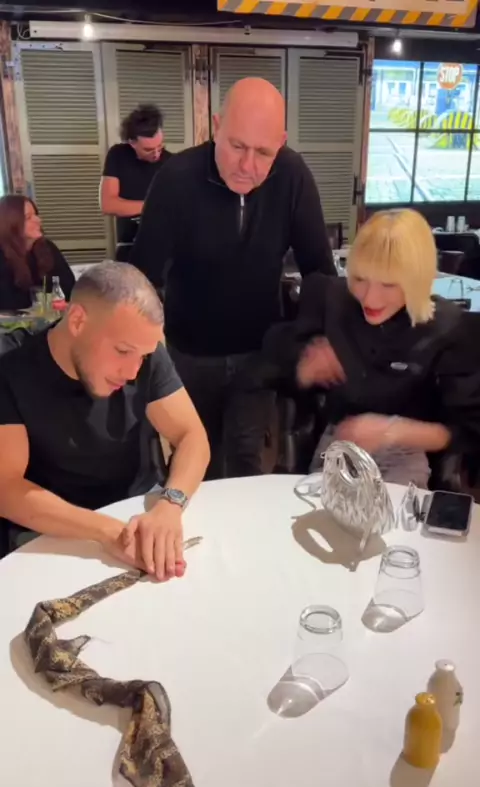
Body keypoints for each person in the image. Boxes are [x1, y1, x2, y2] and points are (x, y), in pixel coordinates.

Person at [131, 77, 336, 480]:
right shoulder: (177, 178)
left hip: (258, 353)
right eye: (237, 146)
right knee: (195, 461)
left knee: (246, 460)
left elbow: (320, 272)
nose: (247, 166)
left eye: (264, 152)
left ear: (281, 143)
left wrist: (320, 338)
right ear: (216, 126)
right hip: (189, 353)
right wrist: (143, 350)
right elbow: (142, 277)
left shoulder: (292, 175)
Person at [0, 261, 210, 579]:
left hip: (141, 512)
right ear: (77, 320)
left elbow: (191, 434)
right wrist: (109, 532)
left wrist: (171, 504)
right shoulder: (12, 368)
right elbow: (6, 487)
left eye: (143, 356)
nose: (133, 372)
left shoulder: (144, 356)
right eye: (122, 351)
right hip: (53, 531)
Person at [265, 209, 480, 488]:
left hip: (409, 451)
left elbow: (467, 431)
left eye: (389, 285)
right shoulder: (332, 301)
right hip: (338, 443)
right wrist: (302, 364)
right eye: (360, 279)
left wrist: (392, 430)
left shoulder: (449, 328)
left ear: (417, 279)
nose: (370, 298)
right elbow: (272, 362)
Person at [100, 104, 172, 261]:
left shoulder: (171, 162)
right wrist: (153, 206)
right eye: (148, 149)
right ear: (132, 142)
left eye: (160, 146)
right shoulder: (118, 155)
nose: (156, 154)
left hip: (164, 247)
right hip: (128, 246)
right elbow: (108, 204)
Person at [0, 195, 74, 311]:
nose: (38, 220)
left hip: (52, 318)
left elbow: (70, 288)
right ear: (11, 224)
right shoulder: (3, 256)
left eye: (36, 215)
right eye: (28, 217)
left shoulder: (47, 247)